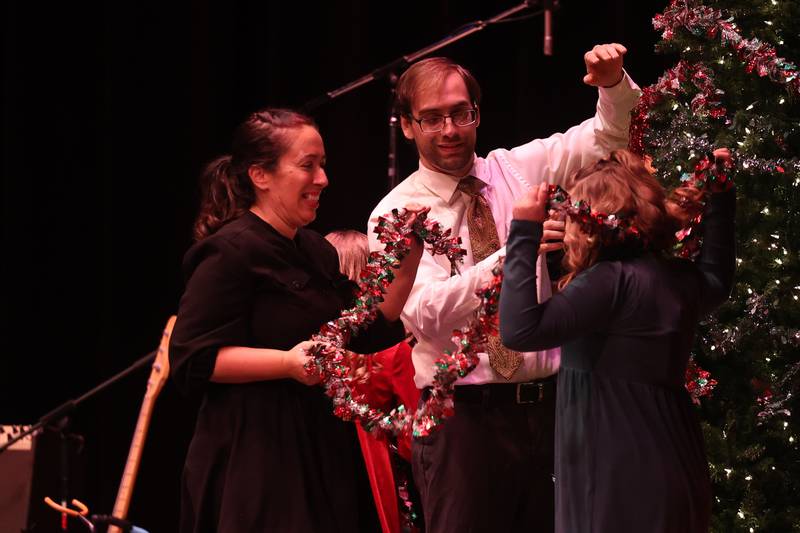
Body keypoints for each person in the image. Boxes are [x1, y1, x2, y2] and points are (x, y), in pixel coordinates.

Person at [367, 44, 641, 532]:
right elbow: (424, 313)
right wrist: (517, 248)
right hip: (464, 422)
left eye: (460, 113)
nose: (450, 130)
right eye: (432, 119)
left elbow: (609, 133)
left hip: (552, 408)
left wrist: (613, 82)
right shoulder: (396, 213)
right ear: (407, 126)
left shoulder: (516, 169)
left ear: (477, 113)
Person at [168, 108, 422, 533]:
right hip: (257, 457)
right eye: (308, 166)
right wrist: (285, 363)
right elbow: (193, 359)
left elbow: (367, 328)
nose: (322, 178)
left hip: (320, 445)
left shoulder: (313, 250)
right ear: (260, 176)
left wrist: (408, 258)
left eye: (322, 164)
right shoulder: (229, 252)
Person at [499, 149, 735, 532]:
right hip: (675, 462)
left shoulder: (608, 283)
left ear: (589, 221)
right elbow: (717, 281)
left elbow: (519, 330)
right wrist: (722, 199)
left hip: (616, 472)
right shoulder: (676, 276)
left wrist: (523, 232)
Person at [324, 229, 423, 533]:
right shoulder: (392, 348)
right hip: (373, 468)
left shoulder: (313, 337)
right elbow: (413, 435)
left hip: (318, 459)